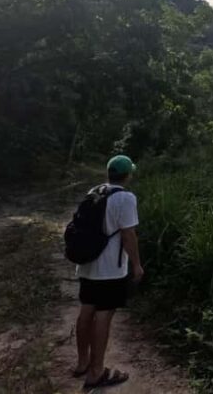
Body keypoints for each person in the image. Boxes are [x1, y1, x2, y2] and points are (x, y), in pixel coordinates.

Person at [73, 155, 144, 390]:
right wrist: (136, 265)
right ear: (127, 175)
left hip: (87, 264)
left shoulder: (95, 190)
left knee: (86, 311)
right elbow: (128, 235)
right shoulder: (125, 198)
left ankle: (83, 362)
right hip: (110, 270)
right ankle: (96, 372)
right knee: (104, 314)